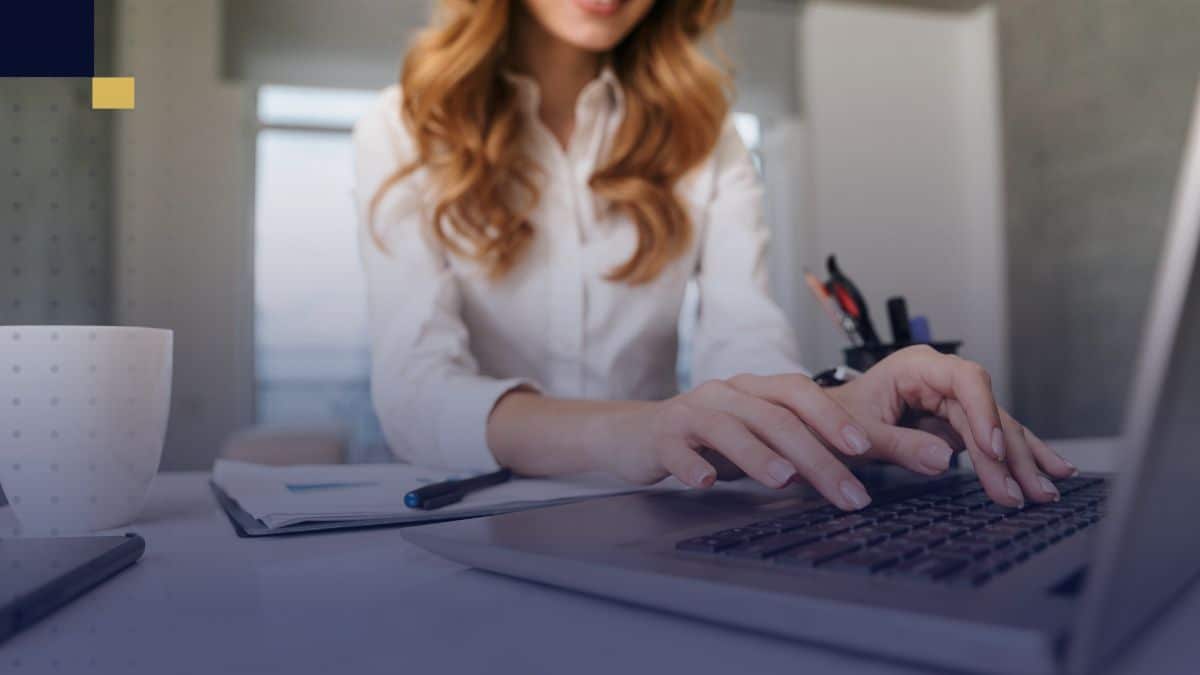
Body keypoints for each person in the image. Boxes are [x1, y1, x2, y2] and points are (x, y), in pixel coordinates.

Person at [353, 0, 1076, 511]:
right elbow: (416, 389)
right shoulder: (401, 126)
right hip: (469, 523)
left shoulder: (707, 136)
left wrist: (843, 413)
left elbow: (745, 341)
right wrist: (642, 429)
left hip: (661, 515)